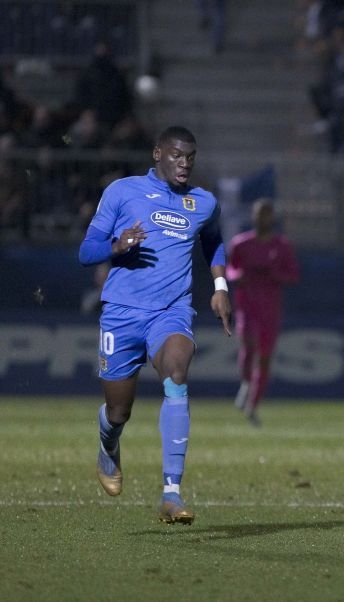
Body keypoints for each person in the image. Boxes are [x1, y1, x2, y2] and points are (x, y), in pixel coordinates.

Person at [78, 126, 232, 525]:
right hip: (122, 314)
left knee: (178, 372)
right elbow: (86, 251)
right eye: (177, 156)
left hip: (171, 312)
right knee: (118, 412)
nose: (185, 164)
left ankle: (171, 493)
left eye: (191, 157)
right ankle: (108, 442)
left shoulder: (203, 202)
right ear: (157, 153)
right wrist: (117, 247)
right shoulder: (121, 191)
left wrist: (219, 286)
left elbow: (213, 241)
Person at [227, 198, 300, 425]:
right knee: (248, 345)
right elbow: (231, 269)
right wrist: (239, 277)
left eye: (267, 214)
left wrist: (274, 274)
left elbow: (293, 274)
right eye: (259, 214)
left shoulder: (282, 246)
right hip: (247, 304)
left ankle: (253, 405)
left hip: (270, 308)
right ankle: (246, 384)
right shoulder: (241, 243)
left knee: (265, 357)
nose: (263, 219)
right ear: (253, 216)